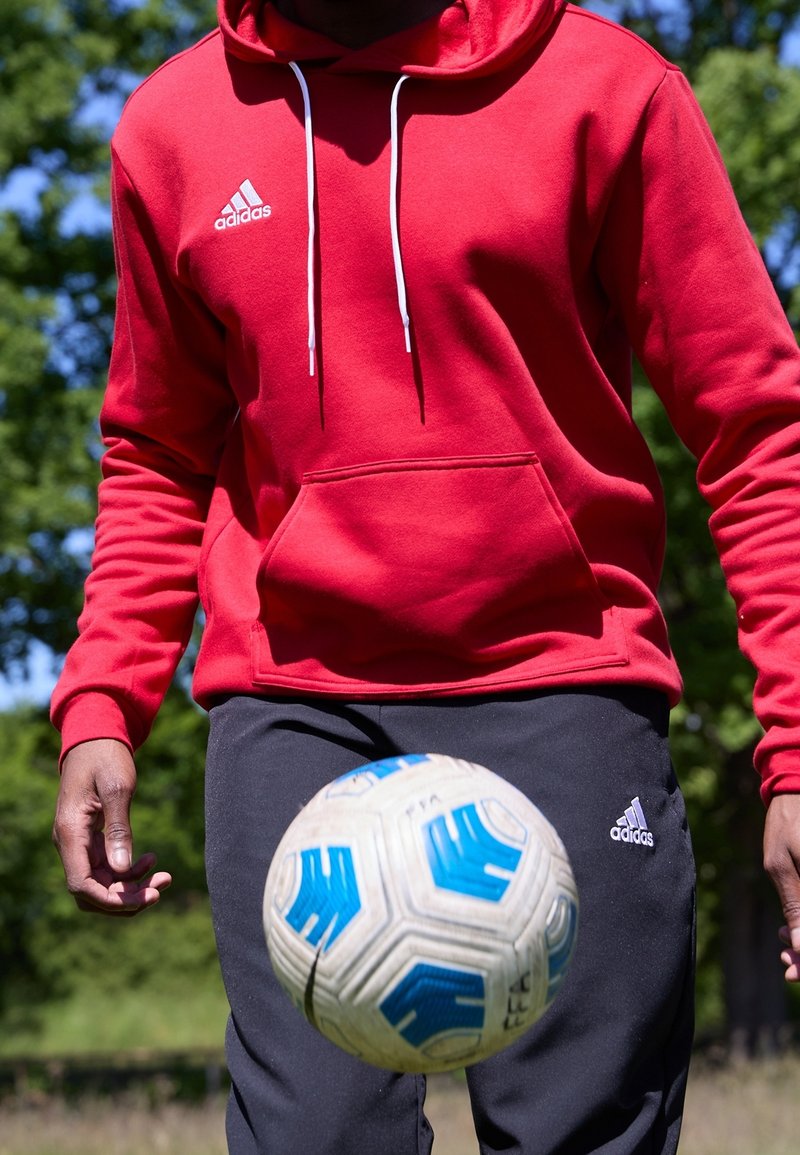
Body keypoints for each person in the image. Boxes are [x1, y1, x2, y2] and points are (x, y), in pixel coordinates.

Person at [51, 0, 800, 1151]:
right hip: (298, 706)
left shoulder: (609, 89)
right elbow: (154, 447)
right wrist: (103, 697)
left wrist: (792, 745)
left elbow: (755, 429)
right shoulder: (174, 126)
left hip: (564, 684)